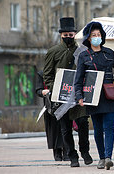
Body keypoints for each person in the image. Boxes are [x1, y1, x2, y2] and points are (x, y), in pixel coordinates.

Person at [74, 21, 114, 170]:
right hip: (93, 96)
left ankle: (109, 157)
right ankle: (102, 157)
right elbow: (78, 79)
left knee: (109, 127)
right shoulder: (83, 56)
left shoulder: (109, 52)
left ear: (102, 36)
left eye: (99, 35)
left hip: (109, 94)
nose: (96, 37)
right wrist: (79, 97)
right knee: (97, 129)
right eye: (93, 35)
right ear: (88, 38)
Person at [43, 17, 92, 167]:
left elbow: (89, 71)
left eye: (71, 34)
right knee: (65, 129)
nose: (68, 37)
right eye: (65, 34)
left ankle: (85, 151)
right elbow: (47, 74)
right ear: (61, 35)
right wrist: (53, 89)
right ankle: (72, 156)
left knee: (83, 124)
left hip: (78, 95)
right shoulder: (53, 52)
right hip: (62, 95)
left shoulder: (83, 51)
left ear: (75, 34)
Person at [35, 70, 69, 161]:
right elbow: (38, 90)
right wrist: (43, 91)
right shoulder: (42, 74)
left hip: (64, 105)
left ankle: (67, 151)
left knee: (66, 128)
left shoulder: (64, 72)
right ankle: (57, 152)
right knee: (53, 130)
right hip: (50, 107)